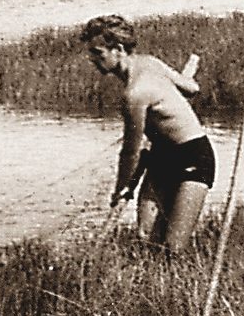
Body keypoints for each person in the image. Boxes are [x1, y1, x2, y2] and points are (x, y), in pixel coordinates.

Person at [80, 15, 216, 253]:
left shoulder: (134, 94)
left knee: (174, 248)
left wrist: (121, 188)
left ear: (119, 49)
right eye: (91, 53)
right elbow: (191, 88)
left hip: (193, 156)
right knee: (146, 238)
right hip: (161, 156)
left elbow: (131, 152)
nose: (92, 60)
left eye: (98, 53)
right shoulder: (151, 63)